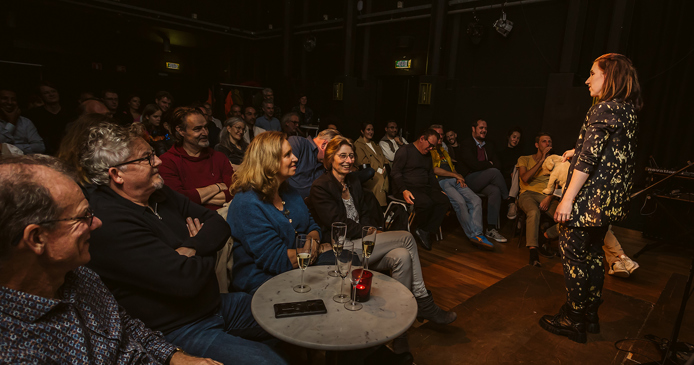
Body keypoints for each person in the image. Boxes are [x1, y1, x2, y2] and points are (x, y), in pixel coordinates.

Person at [80, 123, 286, 364]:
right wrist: (206, 247)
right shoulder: (109, 222)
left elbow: (219, 224)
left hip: (214, 304)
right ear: (117, 174)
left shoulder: (158, 193)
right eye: (147, 158)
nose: (158, 161)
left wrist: (192, 247)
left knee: (293, 313)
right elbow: (186, 281)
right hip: (178, 328)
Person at [0, 155, 219, 364]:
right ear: (37, 238)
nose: (96, 223)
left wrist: (175, 357)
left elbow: (124, 325)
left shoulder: (79, 274)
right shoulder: (14, 349)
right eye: (83, 217)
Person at [540, 53, 642, 343]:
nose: (587, 79)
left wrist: (567, 198)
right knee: (595, 255)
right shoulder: (627, 110)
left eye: (592, 73)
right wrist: (577, 152)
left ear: (609, 77)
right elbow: (611, 154)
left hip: (588, 202)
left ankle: (573, 319)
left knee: (573, 256)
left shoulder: (603, 108)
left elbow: (590, 159)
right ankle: (590, 315)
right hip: (608, 204)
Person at [308, 136, 457, 328]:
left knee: (402, 255)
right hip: (343, 248)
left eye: (351, 156)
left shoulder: (352, 181)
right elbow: (338, 224)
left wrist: (371, 228)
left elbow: (365, 212)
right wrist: (368, 230)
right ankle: (422, 299)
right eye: (342, 156)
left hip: (362, 241)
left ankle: (399, 319)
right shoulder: (321, 186)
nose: (348, 160)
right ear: (330, 158)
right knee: (407, 237)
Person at [227, 131, 331, 293]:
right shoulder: (247, 203)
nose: (295, 158)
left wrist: (312, 242)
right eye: (287, 155)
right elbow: (276, 260)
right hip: (263, 282)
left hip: (298, 269)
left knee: (345, 262)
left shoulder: (288, 190)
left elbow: (311, 224)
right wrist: (313, 251)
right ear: (269, 161)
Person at [430, 125, 492, 250]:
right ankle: (474, 235)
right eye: (438, 134)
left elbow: (452, 167)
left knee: (476, 200)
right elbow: (434, 169)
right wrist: (455, 175)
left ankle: (477, 234)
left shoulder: (443, 149)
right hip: (442, 182)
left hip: (454, 179)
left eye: (442, 134)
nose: (441, 137)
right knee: (460, 202)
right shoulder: (429, 150)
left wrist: (458, 177)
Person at [159, 107, 234, 210]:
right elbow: (177, 199)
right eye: (197, 129)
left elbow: (233, 193)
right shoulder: (167, 161)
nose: (205, 133)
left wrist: (195, 196)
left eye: (206, 127)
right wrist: (216, 187)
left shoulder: (219, 157)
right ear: (181, 131)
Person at [390, 128, 450, 251]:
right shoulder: (405, 151)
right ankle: (422, 228)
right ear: (422, 138)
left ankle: (424, 229)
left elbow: (430, 175)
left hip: (423, 187)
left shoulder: (427, 155)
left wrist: (438, 190)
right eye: (430, 145)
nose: (431, 149)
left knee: (443, 200)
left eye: (434, 146)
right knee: (425, 203)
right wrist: (403, 190)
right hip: (406, 188)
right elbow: (395, 173)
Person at [457, 119, 509, 243]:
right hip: (469, 180)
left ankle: (491, 229)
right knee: (494, 172)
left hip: (483, 181)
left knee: (495, 191)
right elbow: (474, 165)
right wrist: (488, 164)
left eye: (485, 128)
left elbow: (497, 164)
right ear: (473, 129)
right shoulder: (466, 144)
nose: (484, 130)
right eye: (481, 128)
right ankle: (509, 200)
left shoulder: (489, 145)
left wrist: (487, 165)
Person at [517, 133, 560, 267]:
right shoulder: (524, 159)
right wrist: (541, 160)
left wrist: (548, 198)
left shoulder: (554, 162)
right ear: (537, 145)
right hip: (527, 194)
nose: (548, 144)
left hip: (546, 195)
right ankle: (533, 253)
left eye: (550, 141)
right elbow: (525, 178)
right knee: (534, 212)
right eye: (544, 141)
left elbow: (558, 185)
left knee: (566, 218)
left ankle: (544, 237)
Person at [287, 128, 340, 198]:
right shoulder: (297, 143)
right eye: (333, 153)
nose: (334, 159)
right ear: (324, 145)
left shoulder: (324, 165)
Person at [25, 81, 70, 155]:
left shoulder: (70, 113)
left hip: (68, 151)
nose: (51, 94)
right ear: (40, 96)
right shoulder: (34, 115)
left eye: (53, 91)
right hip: (45, 154)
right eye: (46, 93)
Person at [354, 122, 389, 207]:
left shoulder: (375, 144)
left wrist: (384, 168)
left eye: (372, 129)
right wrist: (378, 170)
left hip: (382, 173)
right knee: (379, 182)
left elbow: (384, 159)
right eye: (368, 129)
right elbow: (362, 163)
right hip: (369, 176)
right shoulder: (358, 145)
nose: (371, 132)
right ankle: (380, 209)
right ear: (362, 131)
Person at [0, 87, 45, 154]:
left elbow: (40, 147)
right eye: (5, 98)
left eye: (13, 99)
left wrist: (11, 149)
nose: (9, 102)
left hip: (23, 162)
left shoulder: (25, 122)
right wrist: (12, 123)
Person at [499, 127, 523, 219]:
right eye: (514, 137)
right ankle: (512, 202)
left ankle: (515, 205)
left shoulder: (521, 155)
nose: (516, 140)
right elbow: (499, 169)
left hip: (518, 178)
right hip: (505, 178)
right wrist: (510, 174)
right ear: (508, 137)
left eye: (518, 138)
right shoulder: (501, 153)